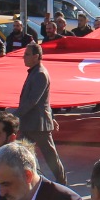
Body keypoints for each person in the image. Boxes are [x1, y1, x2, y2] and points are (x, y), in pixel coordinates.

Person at [17, 43, 66, 183]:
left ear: (36, 56)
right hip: (30, 123)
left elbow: (33, 101)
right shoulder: (34, 72)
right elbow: (44, 101)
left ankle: (63, 184)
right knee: (24, 155)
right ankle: (31, 182)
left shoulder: (39, 74)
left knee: (51, 157)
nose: (23, 57)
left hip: (38, 125)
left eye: (27, 54)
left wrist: (14, 115)